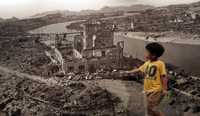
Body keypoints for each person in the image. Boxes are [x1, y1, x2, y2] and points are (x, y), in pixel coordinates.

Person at [124, 42, 168, 116]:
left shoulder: (160, 64)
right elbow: (139, 69)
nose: (145, 54)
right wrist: (128, 72)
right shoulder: (147, 63)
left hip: (155, 90)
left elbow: (163, 76)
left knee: (152, 108)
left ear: (153, 55)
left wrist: (164, 89)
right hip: (147, 90)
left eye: (147, 52)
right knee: (149, 109)